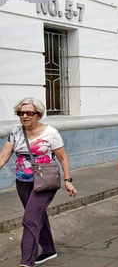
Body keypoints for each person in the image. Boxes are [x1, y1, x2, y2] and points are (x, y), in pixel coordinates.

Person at [0, 98, 77, 267]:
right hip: (23, 182)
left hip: (45, 182)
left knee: (30, 219)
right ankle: (49, 250)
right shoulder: (15, 132)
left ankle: (26, 262)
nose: (25, 116)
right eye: (21, 113)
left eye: (29, 113)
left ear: (39, 115)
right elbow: (4, 156)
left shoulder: (51, 133)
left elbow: (63, 158)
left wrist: (68, 181)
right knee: (37, 215)